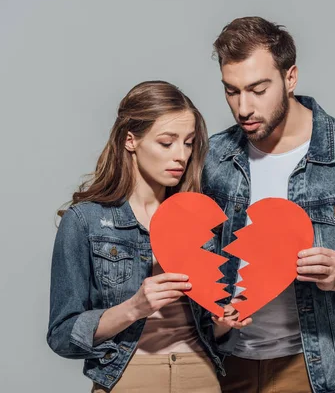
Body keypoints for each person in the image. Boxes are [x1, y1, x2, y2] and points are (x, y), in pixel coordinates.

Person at [203, 17, 335, 393]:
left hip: (317, 368)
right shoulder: (213, 157)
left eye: (257, 89)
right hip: (225, 362)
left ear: (290, 78)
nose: (244, 107)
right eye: (231, 92)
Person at [46, 81, 236, 392]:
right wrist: (135, 307)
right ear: (130, 140)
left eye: (188, 143)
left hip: (200, 374)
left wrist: (222, 323)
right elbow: (62, 334)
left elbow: (207, 325)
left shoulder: (199, 219)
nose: (181, 155)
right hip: (127, 377)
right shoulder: (86, 220)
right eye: (166, 143)